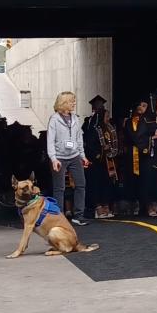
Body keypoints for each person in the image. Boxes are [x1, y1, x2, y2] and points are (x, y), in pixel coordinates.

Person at [46, 91, 89, 228]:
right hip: (59, 157)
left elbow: (79, 138)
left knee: (81, 184)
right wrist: (53, 158)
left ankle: (78, 215)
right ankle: (59, 217)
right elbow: (50, 141)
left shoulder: (76, 118)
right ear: (64, 103)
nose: (74, 103)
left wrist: (83, 156)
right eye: (72, 101)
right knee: (59, 188)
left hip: (74, 155)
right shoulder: (54, 119)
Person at [85, 95, 120, 219]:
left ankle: (106, 206)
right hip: (97, 163)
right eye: (106, 116)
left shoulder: (109, 129)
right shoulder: (93, 130)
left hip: (107, 162)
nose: (108, 118)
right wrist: (101, 151)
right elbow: (89, 146)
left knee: (107, 185)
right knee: (96, 185)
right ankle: (98, 208)